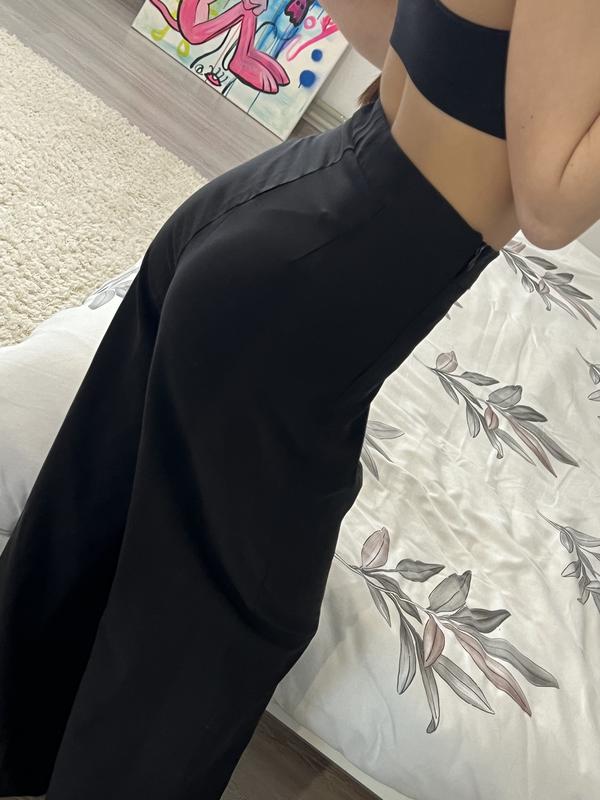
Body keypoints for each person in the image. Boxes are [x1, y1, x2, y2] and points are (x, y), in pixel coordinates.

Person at [0, 1, 598, 798]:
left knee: (96, 507)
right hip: (311, 281)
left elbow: (381, 29)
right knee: (222, 627)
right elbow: (550, 206)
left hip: (279, 201)